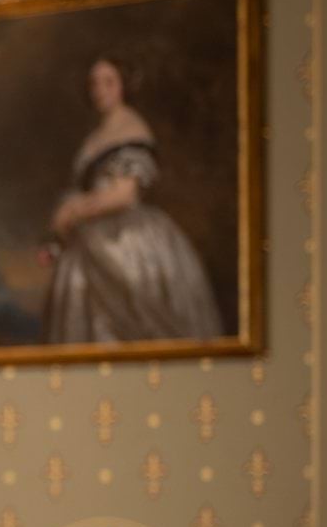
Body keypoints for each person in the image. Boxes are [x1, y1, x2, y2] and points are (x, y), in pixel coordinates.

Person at [41, 57, 223, 344]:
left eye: (108, 82)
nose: (99, 90)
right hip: (87, 239)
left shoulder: (132, 127)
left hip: (125, 239)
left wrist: (75, 210)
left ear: (123, 85)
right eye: (93, 83)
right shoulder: (95, 136)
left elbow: (124, 195)